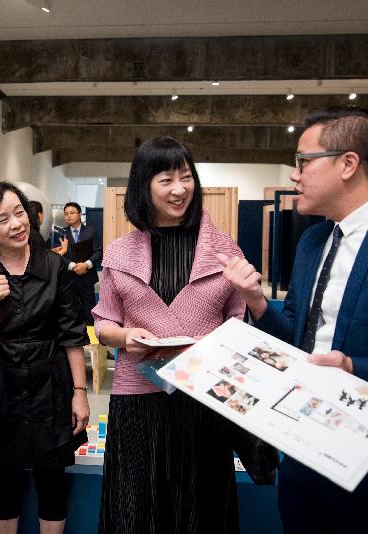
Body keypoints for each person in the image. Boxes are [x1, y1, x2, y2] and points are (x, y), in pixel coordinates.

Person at [218, 107, 368, 533]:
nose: (295, 175)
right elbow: (296, 331)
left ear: (348, 163)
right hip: (307, 460)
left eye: (303, 161)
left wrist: (354, 368)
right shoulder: (314, 240)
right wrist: (256, 300)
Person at [92, 136, 257, 533]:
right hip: (138, 397)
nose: (179, 189)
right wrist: (126, 337)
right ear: (144, 185)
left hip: (203, 398)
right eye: (166, 179)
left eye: (186, 177)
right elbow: (103, 324)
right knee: (136, 503)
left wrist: (211, 345)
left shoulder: (225, 253)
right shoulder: (119, 252)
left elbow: (241, 326)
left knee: (200, 501)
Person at [0, 181, 89, 534]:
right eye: (3, 219)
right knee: (6, 475)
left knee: (53, 472)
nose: (16, 223)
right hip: (1, 384)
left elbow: (72, 336)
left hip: (51, 382)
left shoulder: (55, 267)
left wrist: (80, 392)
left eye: (20, 212)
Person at [61, 201, 102, 326]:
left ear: (80, 214)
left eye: (72, 213)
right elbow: (57, 255)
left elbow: (98, 251)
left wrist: (86, 264)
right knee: (70, 308)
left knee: (88, 307)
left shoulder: (91, 231)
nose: (69, 216)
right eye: (66, 214)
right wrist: (73, 266)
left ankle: (90, 339)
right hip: (68, 277)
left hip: (87, 276)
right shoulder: (61, 233)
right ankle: (73, 338)